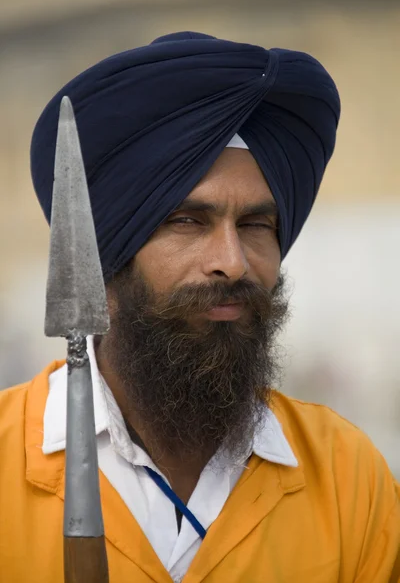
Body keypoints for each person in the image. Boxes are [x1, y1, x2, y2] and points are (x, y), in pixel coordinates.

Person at [0, 31, 399, 583]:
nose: (233, 263)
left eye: (257, 224)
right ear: (108, 253)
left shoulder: (349, 477)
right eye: (187, 221)